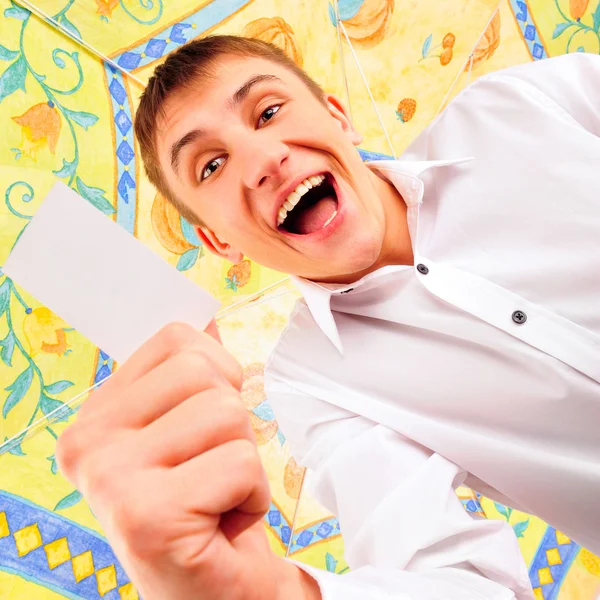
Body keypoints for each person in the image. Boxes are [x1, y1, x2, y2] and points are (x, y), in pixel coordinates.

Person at [56, 35, 600, 600]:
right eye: (212, 165)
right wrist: (264, 590)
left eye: (268, 111)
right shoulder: (312, 384)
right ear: (217, 240)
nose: (264, 161)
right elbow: (458, 582)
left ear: (339, 116)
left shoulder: (519, 108)